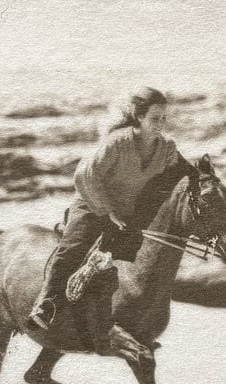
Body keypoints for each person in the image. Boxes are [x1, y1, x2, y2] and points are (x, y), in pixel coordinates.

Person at [27, 86, 183, 331]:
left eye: (164, 118)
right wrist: (109, 212)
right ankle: (46, 304)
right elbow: (85, 176)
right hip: (92, 203)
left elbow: (175, 176)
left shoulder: (167, 148)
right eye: (155, 118)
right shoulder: (117, 143)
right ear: (138, 117)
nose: (161, 124)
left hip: (128, 213)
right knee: (73, 248)